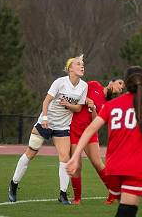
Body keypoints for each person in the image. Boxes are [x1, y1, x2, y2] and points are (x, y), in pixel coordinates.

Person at [67, 66, 142, 217]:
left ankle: (105, 196)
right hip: (135, 167)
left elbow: (90, 129)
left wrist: (75, 157)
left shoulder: (110, 105)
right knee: (127, 211)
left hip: (113, 168)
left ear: (126, 84)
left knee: (127, 208)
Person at [8, 54, 88, 205]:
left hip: (62, 127)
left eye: (83, 64)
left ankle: (63, 194)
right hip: (46, 123)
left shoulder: (84, 86)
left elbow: (78, 108)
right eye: (78, 64)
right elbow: (46, 101)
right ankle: (14, 183)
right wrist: (44, 118)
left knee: (65, 158)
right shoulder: (60, 82)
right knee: (30, 153)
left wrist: (68, 105)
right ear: (70, 68)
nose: (82, 66)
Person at [70, 78, 125, 205]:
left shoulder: (108, 104)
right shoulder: (93, 85)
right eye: (120, 83)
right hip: (75, 130)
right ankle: (77, 198)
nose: (120, 88)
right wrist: (84, 100)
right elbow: (78, 92)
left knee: (97, 163)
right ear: (111, 82)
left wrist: (93, 108)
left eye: (122, 88)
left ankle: (113, 194)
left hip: (90, 133)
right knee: (76, 166)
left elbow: (96, 121)